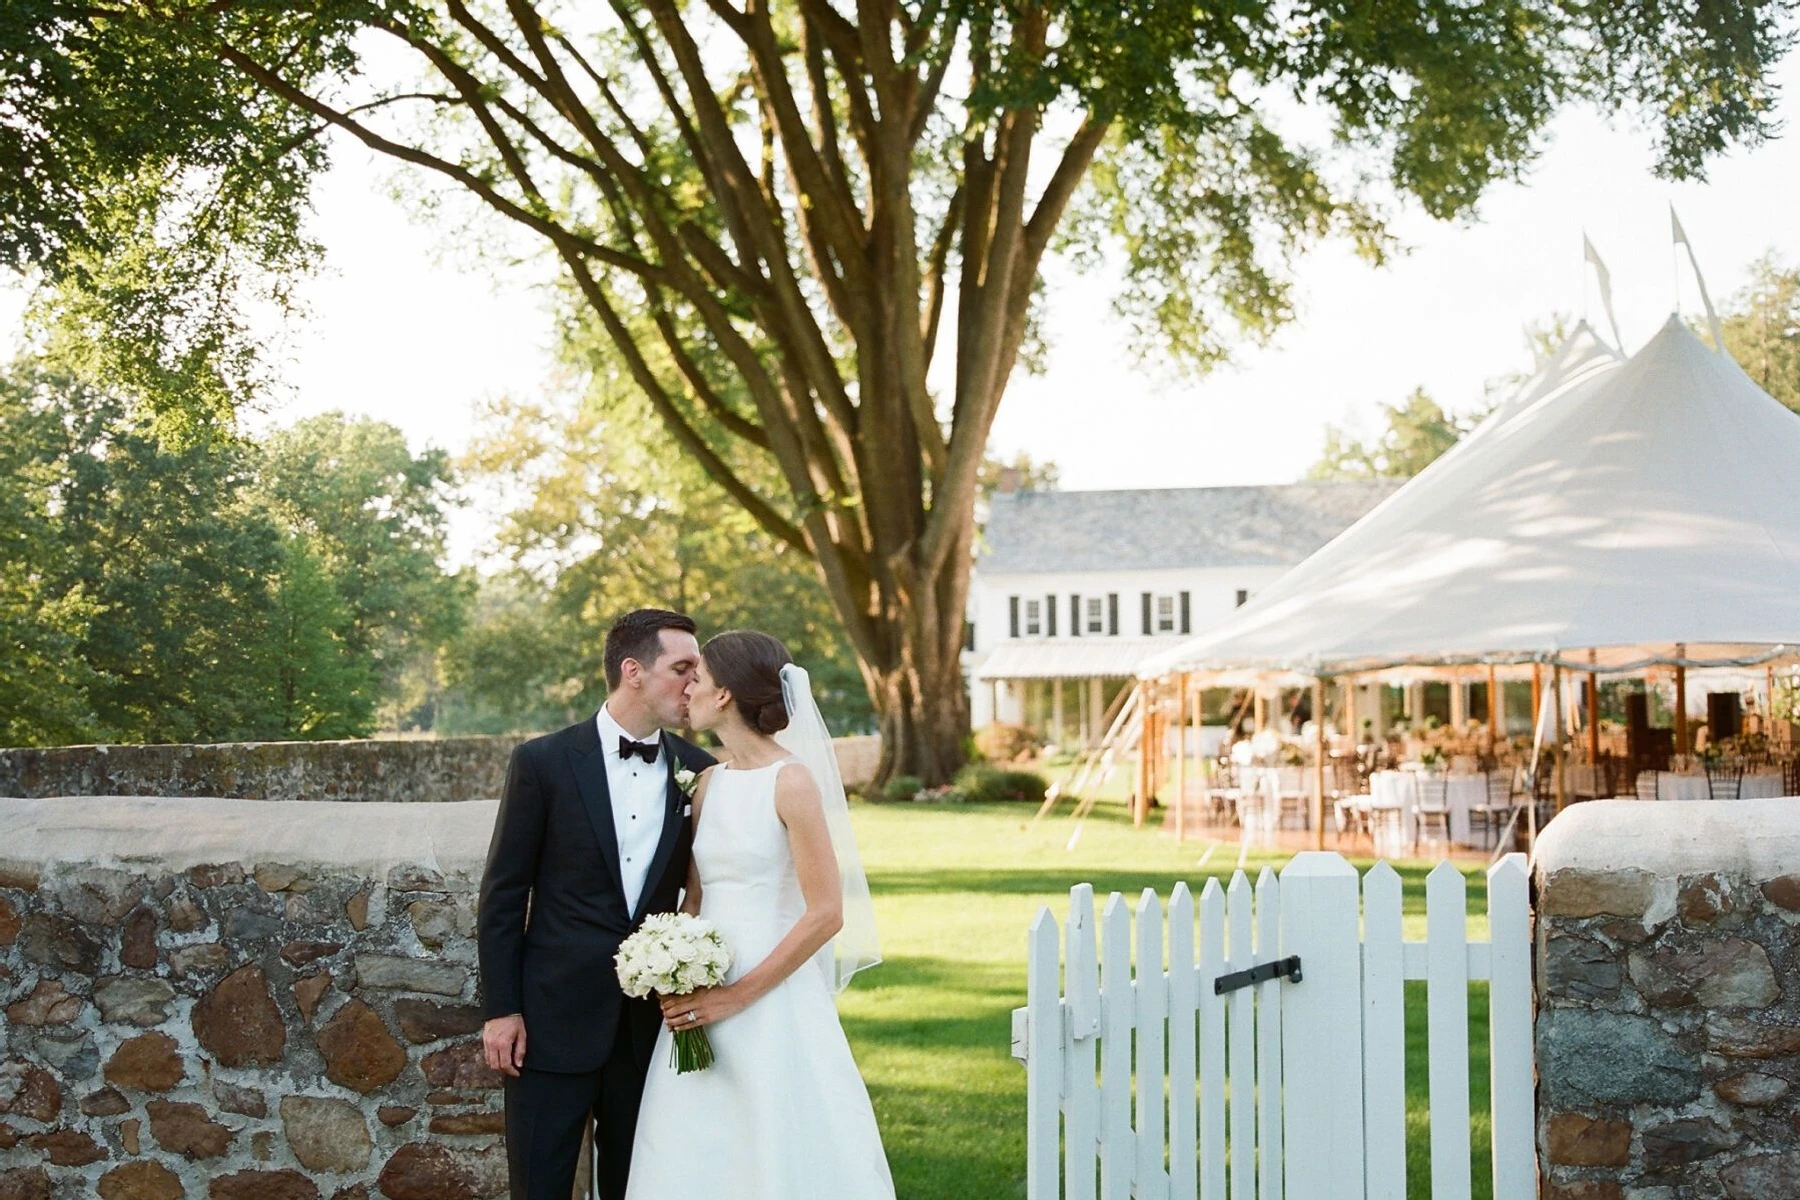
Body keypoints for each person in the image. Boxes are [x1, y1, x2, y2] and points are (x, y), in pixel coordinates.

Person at [625, 629, 893, 1200]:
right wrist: (670, 966)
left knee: (775, 1142)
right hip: (700, 991)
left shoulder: (792, 782)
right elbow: (694, 901)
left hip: (772, 996)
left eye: (697, 677)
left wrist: (737, 995)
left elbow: (825, 913)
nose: (687, 688)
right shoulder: (704, 786)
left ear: (724, 695)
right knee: (697, 1143)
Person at [477, 609, 717, 1200]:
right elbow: (504, 894)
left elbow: (704, 892)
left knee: (637, 1187)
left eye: (698, 670)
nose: (694, 683)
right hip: (549, 1023)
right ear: (632, 670)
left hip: (648, 1028)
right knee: (540, 1185)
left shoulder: (701, 772)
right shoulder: (542, 763)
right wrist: (502, 1010)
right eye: (681, 668)